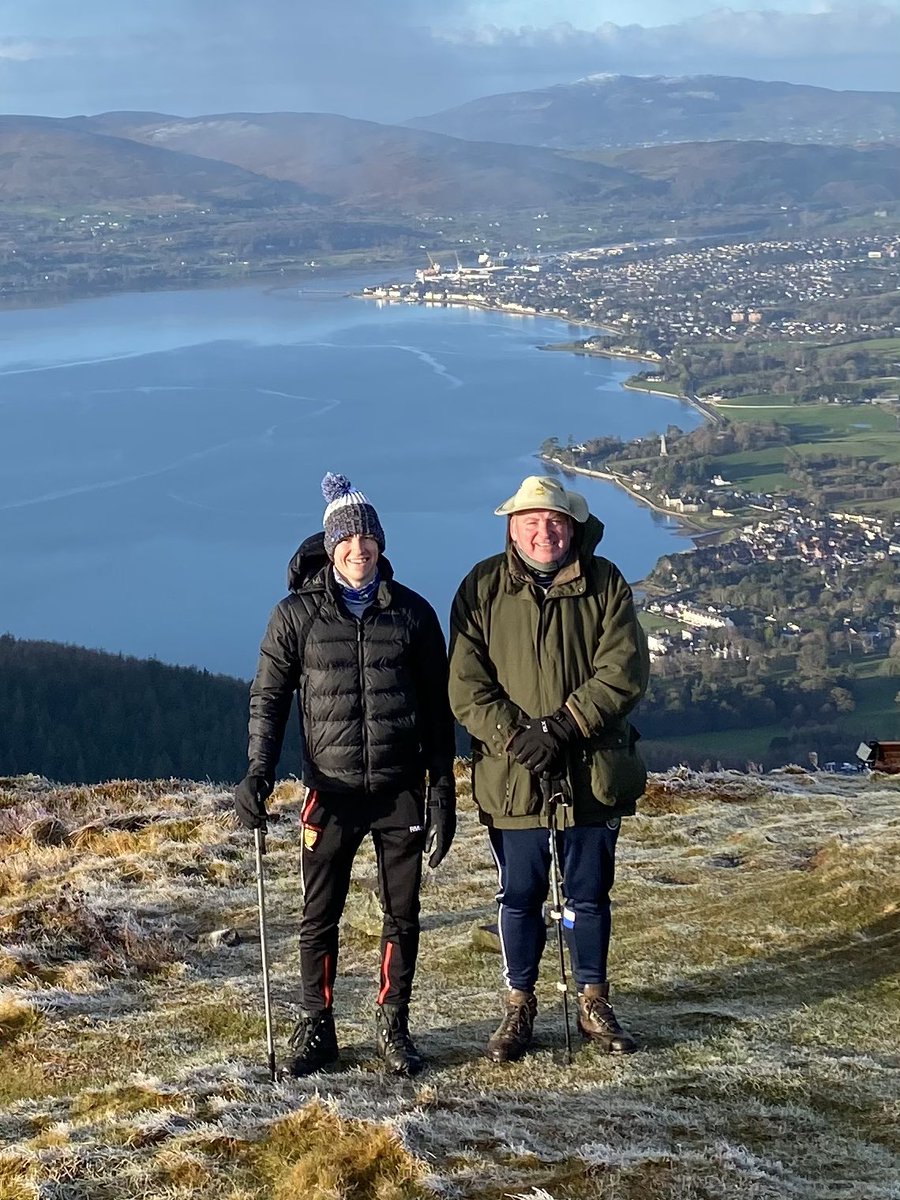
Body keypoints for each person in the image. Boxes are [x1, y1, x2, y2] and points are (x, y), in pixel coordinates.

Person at [235, 472, 456, 1077]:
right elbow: (269, 698)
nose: (359, 552)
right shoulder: (295, 616)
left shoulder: (413, 614)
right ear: (330, 549)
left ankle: (393, 1024)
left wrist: (442, 791)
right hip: (328, 791)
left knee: (401, 913)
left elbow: (439, 710)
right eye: (347, 543)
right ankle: (318, 1026)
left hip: (400, 789)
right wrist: (258, 772)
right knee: (318, 915)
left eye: (368, 541)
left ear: (382, 545)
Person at [448, 475, 649, 1062]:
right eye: (530, 522)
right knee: (519, 895)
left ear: (573, 525)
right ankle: (519, 1005)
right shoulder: (481, 587)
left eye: (554, 521)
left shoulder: (605, 581)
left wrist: (563, 726)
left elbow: (625, 669)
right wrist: (516, 735)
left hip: (590, 770)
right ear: (511, 528)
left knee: (588, 894)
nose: (544, 532)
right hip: (513, 775)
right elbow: (464, 683)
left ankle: (593, 999)